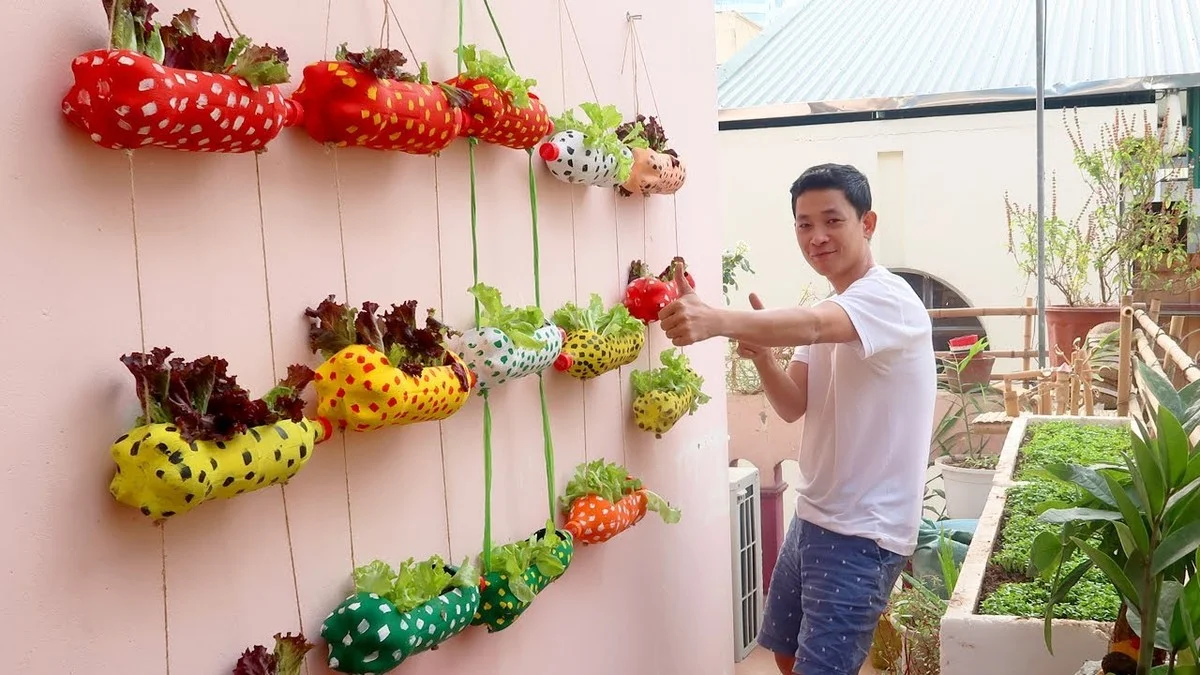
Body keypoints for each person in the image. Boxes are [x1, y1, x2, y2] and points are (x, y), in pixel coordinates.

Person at [658, 163, 935, 675]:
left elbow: (810, 325)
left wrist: (716, 321)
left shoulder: (886, 298)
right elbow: (793, 403)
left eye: (832, 220)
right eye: (804, 224)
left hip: (864, 533)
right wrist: (763, 354)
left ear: (867, 223)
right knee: (784, 651)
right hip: (815, 518)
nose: (817, 237)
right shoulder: (837, 306)